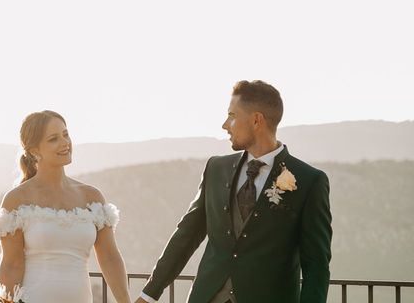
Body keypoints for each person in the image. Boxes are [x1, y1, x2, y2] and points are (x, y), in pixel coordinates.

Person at [136, 80, 333, 303]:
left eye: (232, 115)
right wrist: (149, 294)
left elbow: (316, 265)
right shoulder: (216, 169)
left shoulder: (309, 181)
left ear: (256, 120)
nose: (225, 125)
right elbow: (186, 235)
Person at [0, 110, 132, 303]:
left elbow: (110, 258)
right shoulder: (17, 199)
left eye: (66, 134)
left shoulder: (91, 197)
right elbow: (12, 265)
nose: (65, 143)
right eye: (54, 139)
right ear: (34, 150)